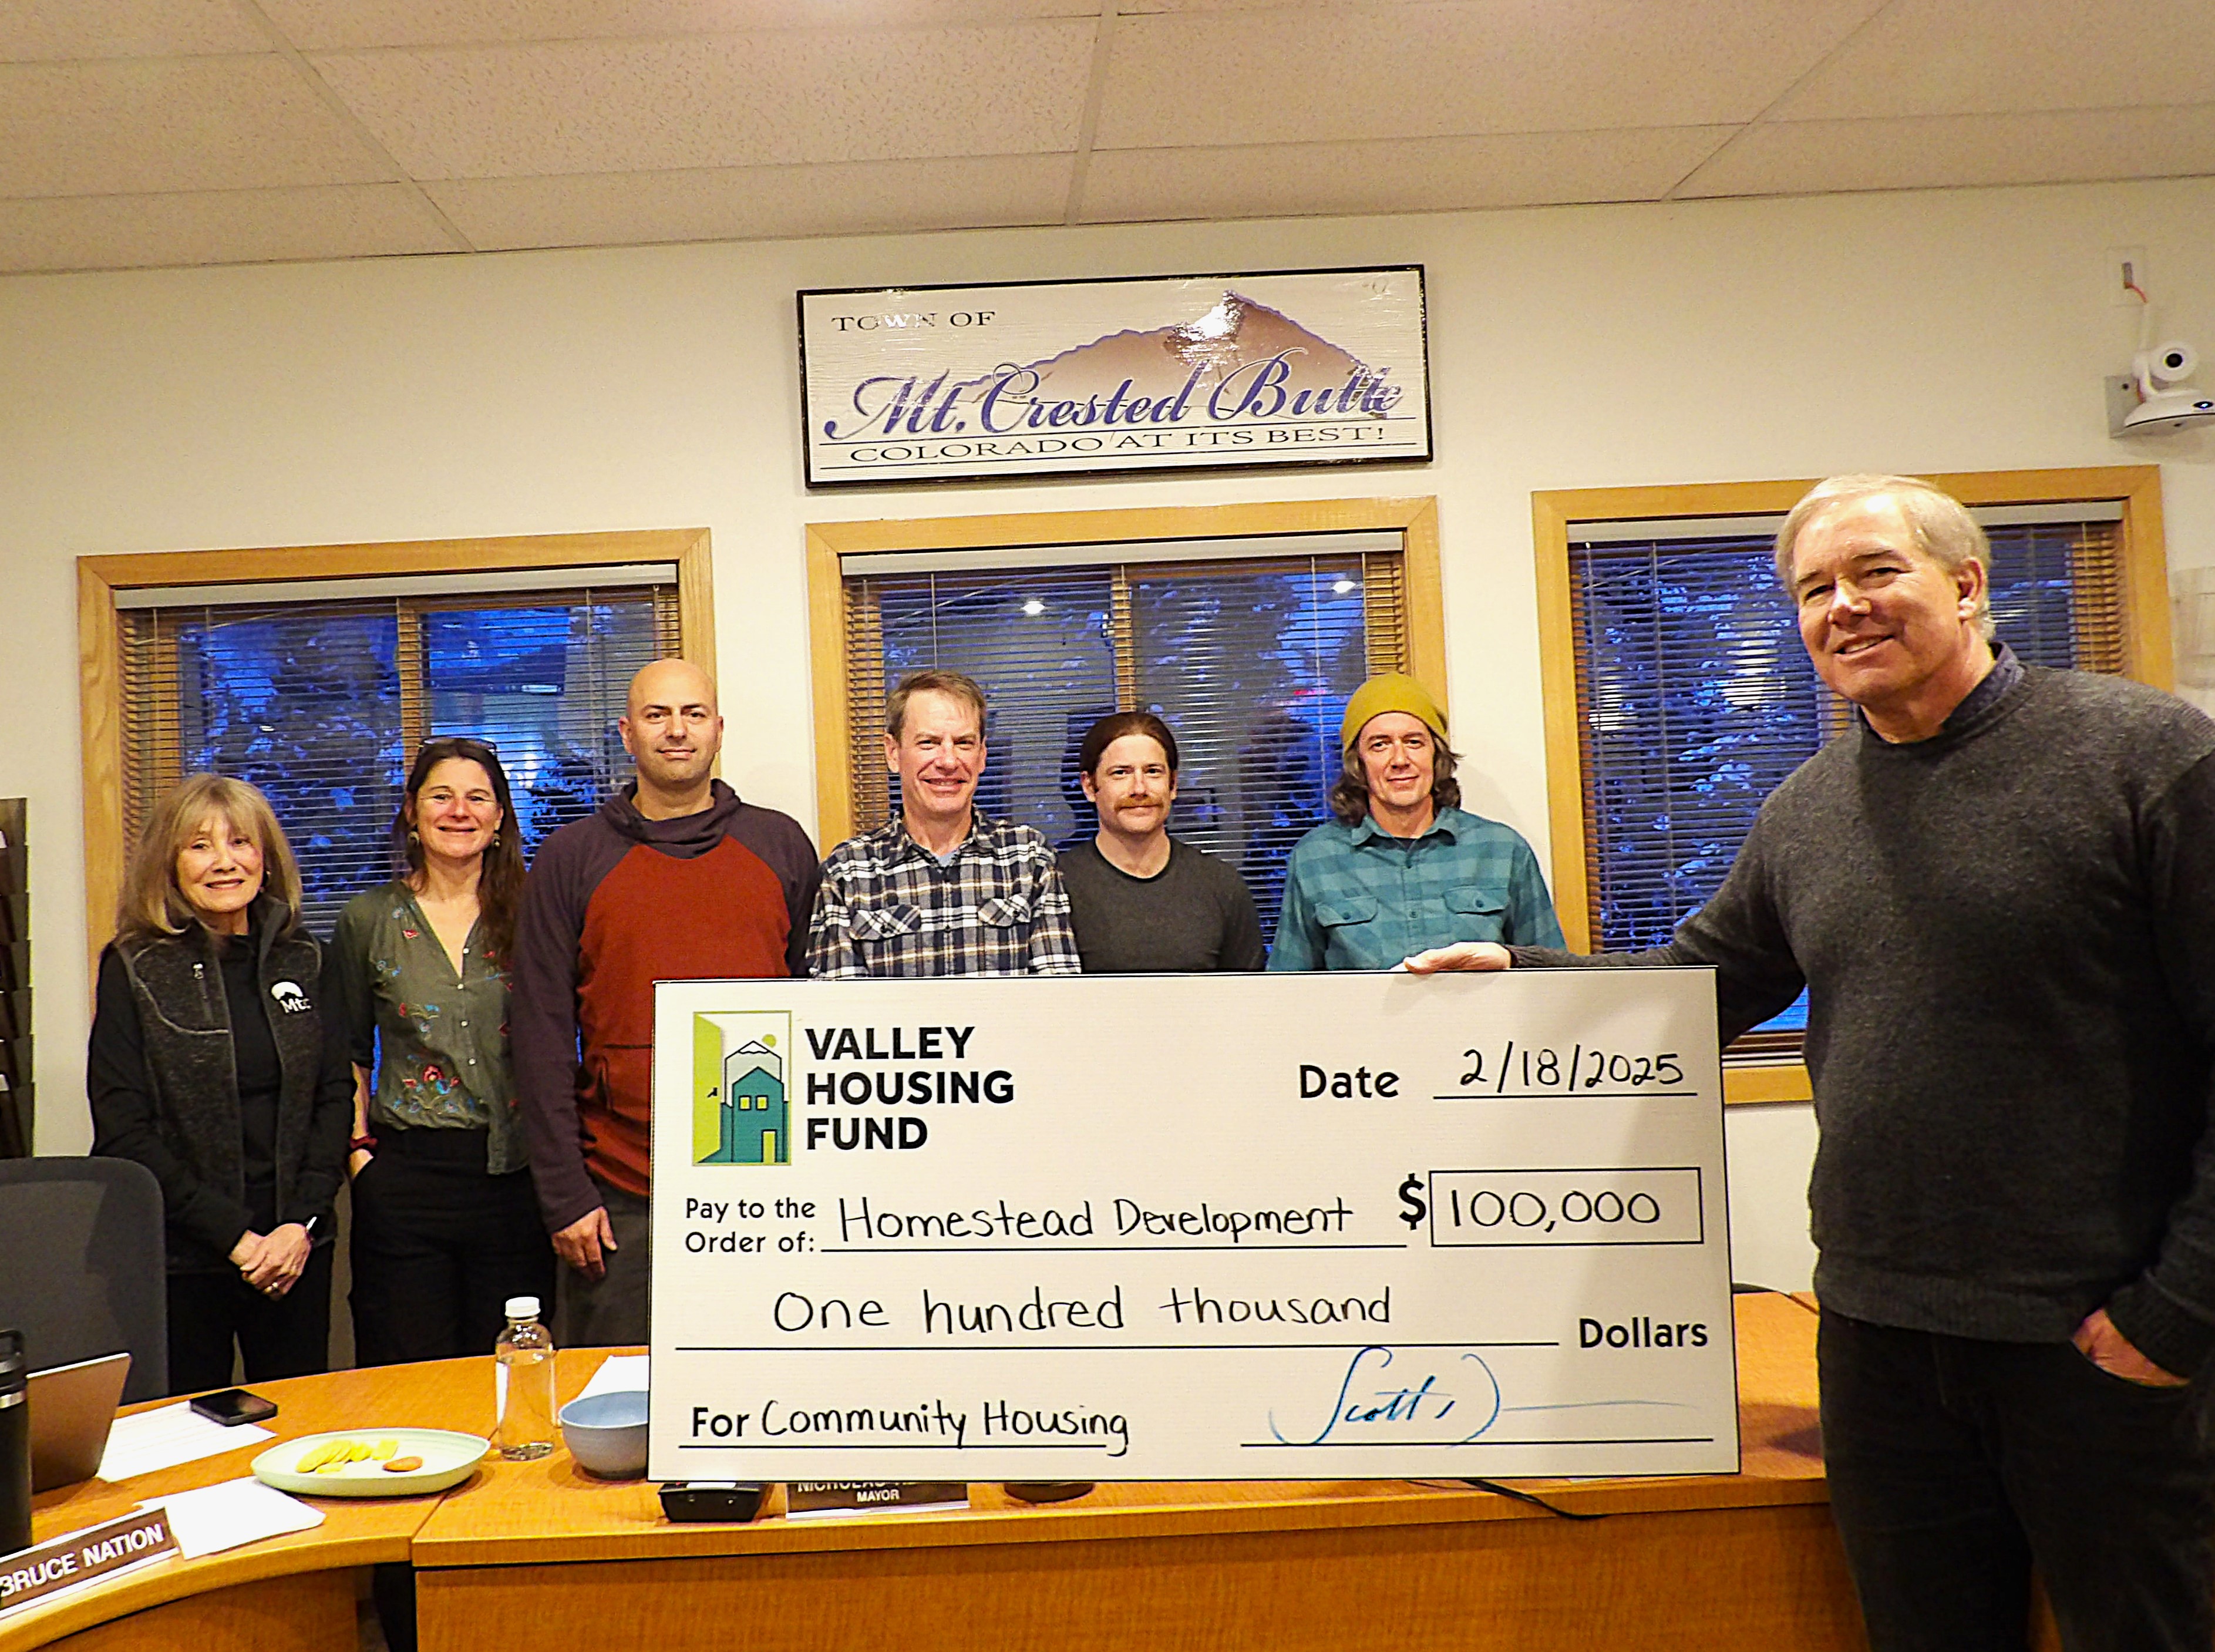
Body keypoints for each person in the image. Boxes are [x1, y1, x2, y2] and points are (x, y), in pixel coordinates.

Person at [1413, 475, 2215, 1652]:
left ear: (1964, 581)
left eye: (1874, 570)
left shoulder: (2144, 756)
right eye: (1812, 588)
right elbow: (1701, 984)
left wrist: (2177, 1310)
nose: (1842, 606)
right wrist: (1519, 972)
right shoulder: (1806, 807)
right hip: (1876, 1339)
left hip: (2091, 1343)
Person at [510, 661, 820, 1347]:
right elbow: (540, 1036)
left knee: (764, 1391)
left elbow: (815, 1013)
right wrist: (566, 1194)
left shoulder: (780, 845)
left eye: (692, 713)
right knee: (619, 1413)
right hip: (621, 1190)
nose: (676, 730)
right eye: (656, 715)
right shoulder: (571, 858)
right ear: (627, 732)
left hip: (761, 1180)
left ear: (717, 729)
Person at [87, 774, 352, 1395]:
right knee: (186, 1443)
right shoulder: (133, 965)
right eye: (200, 845)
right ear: (170, 863)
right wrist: (236, 1238)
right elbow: (124, 1127)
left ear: (266, 857)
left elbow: (333, 1098)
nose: (225, 861)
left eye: (241, 841)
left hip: (294, 1253)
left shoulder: (307, 959)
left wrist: (299, 1227)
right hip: (184, 1256)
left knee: (300, 1434)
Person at [331, 738, 554, 1365]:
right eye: (441, 796)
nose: (460, 811)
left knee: (512, 1375)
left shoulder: (537, 911)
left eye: (477, 797)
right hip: (406, 1181)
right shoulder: (367, 918)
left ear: (501, 816)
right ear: (411, 811)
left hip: (516, 1180)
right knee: (410, 1380)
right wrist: (359, 1159)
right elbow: (346, 1050)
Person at [1267, 672, 1563, 971]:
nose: (1399, 760)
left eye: (1414, 742)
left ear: (1436, 755)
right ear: (1359, 763)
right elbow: (1289, 988)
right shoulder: (1317, 858)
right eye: (1380, 745)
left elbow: (1552, 976)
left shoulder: (1502, 850)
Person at [808, 669, 1079, 980]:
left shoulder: (1028, 858)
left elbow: (1058, 1000)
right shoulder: (849, 871)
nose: (948, 762)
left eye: (964, 743)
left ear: (982, 756)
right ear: (893, 753)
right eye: (929, 743)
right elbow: (842, 1013)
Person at [1056, 711, 1265, 973]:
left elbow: (1249, 1000)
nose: (1139, 789)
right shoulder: (1057, 886)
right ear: (1089, 786)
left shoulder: (1222, 885)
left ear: (1173, 784)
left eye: (1153, 772)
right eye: (1121, 773)